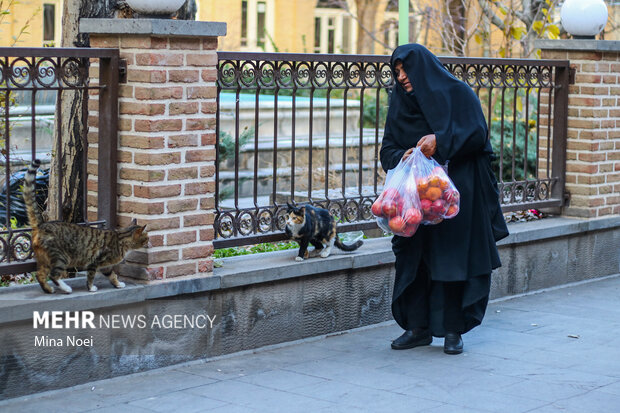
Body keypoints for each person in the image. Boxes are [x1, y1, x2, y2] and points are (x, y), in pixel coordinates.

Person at [380, 43, 509, 355]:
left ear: (423, 67)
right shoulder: (401, 104)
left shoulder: (458, 94)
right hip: (413, 203)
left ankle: (453, 331)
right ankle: (418, 328)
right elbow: (387, 151)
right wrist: (405, 155)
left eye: (405, 69)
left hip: (453, 199)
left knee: (451, 261)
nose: (401, 77)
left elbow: (478, 135)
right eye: (396, 71)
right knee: (415, 261)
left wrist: (441, 141)